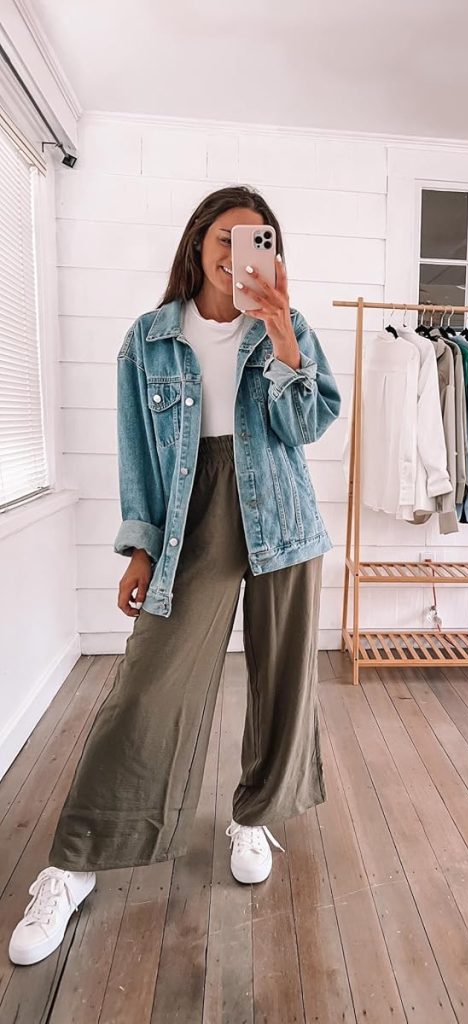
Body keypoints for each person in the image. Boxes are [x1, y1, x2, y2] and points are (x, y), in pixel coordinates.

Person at [8, 185, 342, 966]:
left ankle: (253, 817)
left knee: (284, 681)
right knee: (147, 686)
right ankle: (76, 860)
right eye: (225, 238)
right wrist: (141, 546)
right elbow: (139, 455)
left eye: (257, 241)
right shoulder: (149, 338)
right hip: (192, 517)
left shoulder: (286, 326)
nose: (237, 256)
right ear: (198, 243)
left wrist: (281, 330)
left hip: (283, 516)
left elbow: (307, 426)